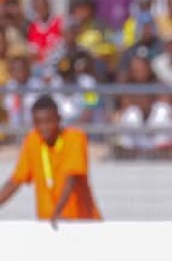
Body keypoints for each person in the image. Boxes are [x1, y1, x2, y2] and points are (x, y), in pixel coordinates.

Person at [0, 95, 100, 225]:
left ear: (59, 119)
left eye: (49, 121)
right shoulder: (33, 140)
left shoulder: (75, 138)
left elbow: (71, 178)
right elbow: (16, 180)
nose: (44, 127)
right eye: (38, 122)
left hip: (79, 224)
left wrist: (58, 211)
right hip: (48, 225)